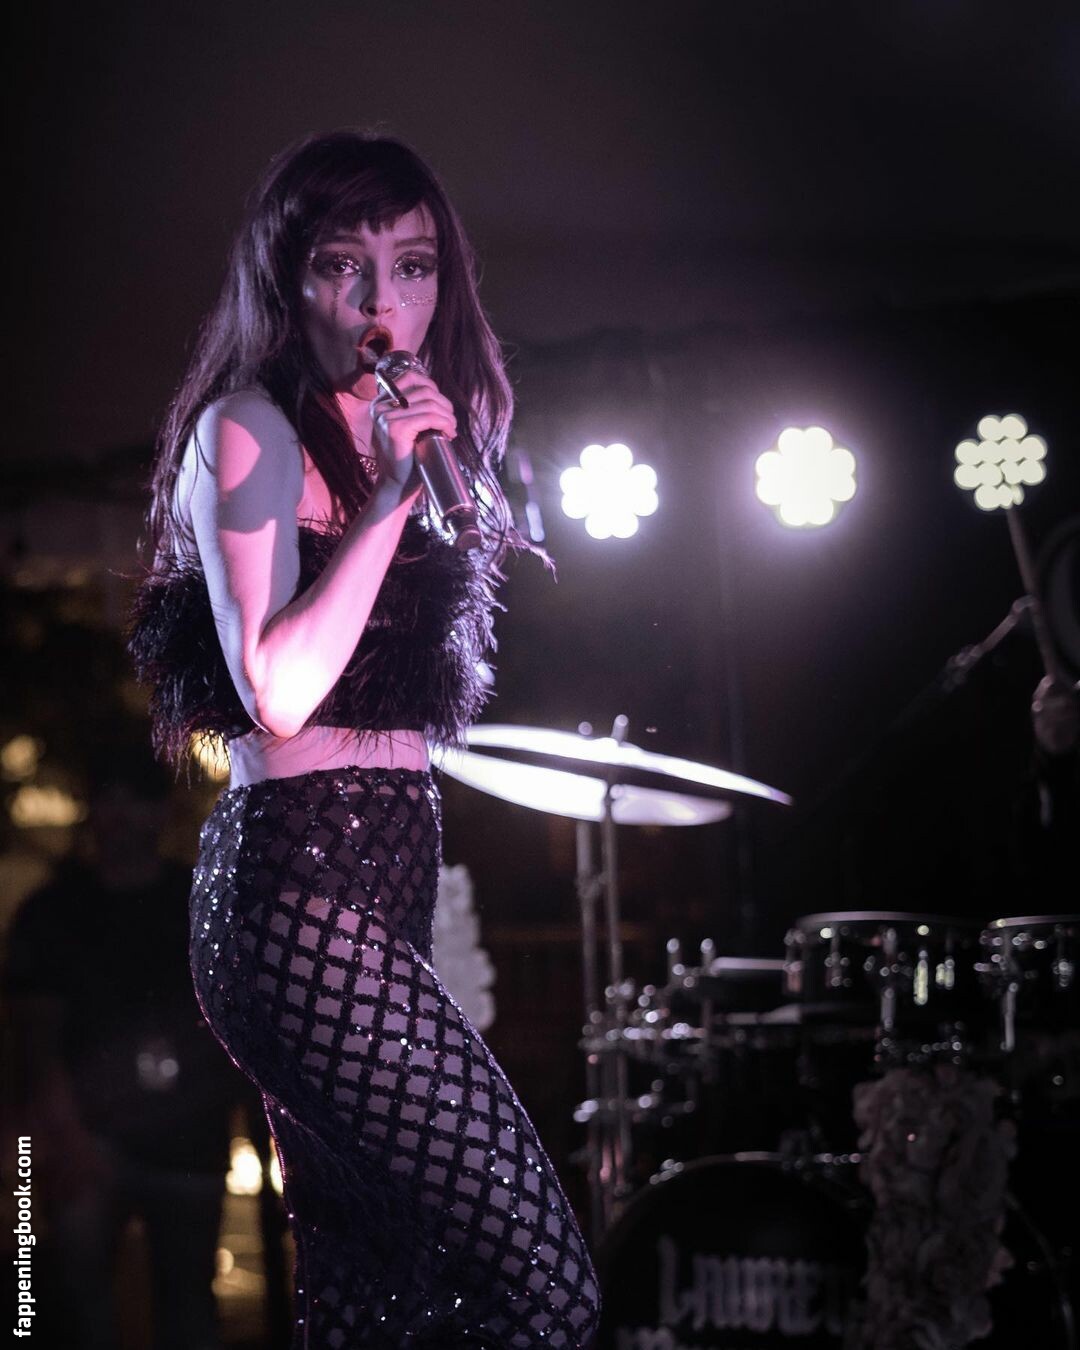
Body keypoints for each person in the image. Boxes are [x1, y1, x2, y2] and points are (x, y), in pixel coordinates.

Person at [128, 130, 600, 1349]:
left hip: (384, 882)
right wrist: (388, 501)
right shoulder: (251, 430)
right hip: (296, 889)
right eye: (346, 265)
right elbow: (278, 690)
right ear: (290, 280)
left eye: (414, 265)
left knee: (375, 1295)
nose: (385, 302)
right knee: (546, 1284)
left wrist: (412, 479)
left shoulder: (423, 432)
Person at [3, 744, 242, 1350]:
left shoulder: (198, 901)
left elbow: (232, 1019)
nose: (122, 815)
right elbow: (34, 1038)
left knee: (188, 1309)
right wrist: (64, 1139)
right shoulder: (53, 912)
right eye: (110, 798)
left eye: (137, 799)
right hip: (88, 1144)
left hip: (189, 1145)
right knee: (75, 1308)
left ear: (161, 811)